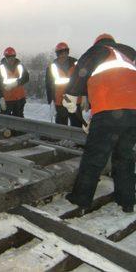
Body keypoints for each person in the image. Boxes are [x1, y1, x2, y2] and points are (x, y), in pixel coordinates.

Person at [63, 33, 136, 213]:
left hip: (110, 111)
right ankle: (126, 201)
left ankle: (80, 200)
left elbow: (82, 70)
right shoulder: (127, 55)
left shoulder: (99, 50)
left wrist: (71, 94)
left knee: (94, 158)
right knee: (124, 157)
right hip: (133, 112)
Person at [46, 42, 84, 127]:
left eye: (65, 52)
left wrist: (85, 96)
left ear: (67, 52)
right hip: (60, 100)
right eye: (60, 53)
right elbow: (48, 85)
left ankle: (76, 140)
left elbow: (83, 80)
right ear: (57, 54)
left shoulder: (77, 64)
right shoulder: (51, 67)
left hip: (75, 99)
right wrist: (51, 100)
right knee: (61, 126)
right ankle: (61, 140)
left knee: (77, 124)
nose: (63, 55)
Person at [0, 47, 29, 117]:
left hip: (19, 98)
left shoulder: (20, 67)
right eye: (8, 57)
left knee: (19, 119)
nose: (11, 59)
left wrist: (16, 83)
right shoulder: (0, 69)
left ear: (15, 57)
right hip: (7, 99)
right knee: (5, 119)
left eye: (12, 57)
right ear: (5, 57)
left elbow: (26, 78)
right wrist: (1, 98)